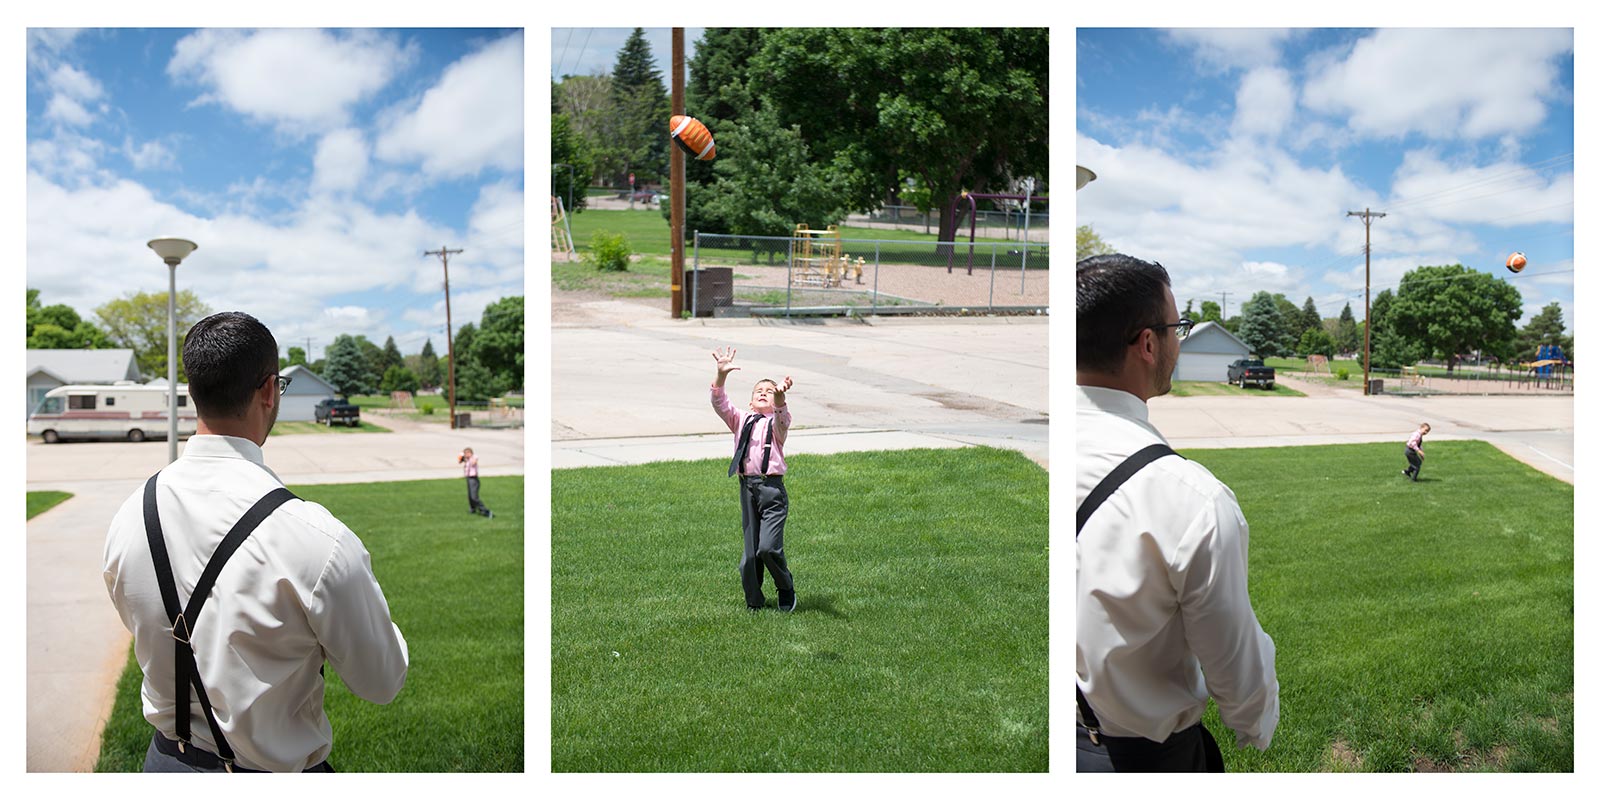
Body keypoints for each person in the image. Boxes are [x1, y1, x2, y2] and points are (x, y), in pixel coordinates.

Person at [103, 311, 408, 772]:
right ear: (269, 390)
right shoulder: (315, 539)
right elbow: (382, 681)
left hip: (164, 764)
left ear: (194, 393)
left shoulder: (129, 517)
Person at [1076, 254, 1279, 772]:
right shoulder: (1191, 499)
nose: (1179, 341)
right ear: (1148, 343)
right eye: (1176, 327)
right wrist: (1255, 726)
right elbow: (1236, 670)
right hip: (1143, 758)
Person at [710, 346, 797, 612]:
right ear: (750, 402)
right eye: (759, 390)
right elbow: (720, 404)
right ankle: (755, 604)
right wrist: (721, 376)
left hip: (771, 490)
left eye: (769, 391)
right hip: (747, 488)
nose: (763, 393)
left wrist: (780, 400)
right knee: (749, 557)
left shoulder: (777, 424)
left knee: (767, 549)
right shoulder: (741, 419)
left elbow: (783, 417)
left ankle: (785, 588)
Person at [461, 447, 494, 518]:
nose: (465, 455)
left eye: (466, 453)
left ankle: (486, 511)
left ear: (470, 453)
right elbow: (460, 461)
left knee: (474, 497)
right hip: (468, 478)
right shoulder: (467, 459)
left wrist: (469, 458)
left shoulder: (474, 457)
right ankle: (472, 509)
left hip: (474, 479)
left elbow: (473, 463)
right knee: (470, 496)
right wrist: (463, 458)